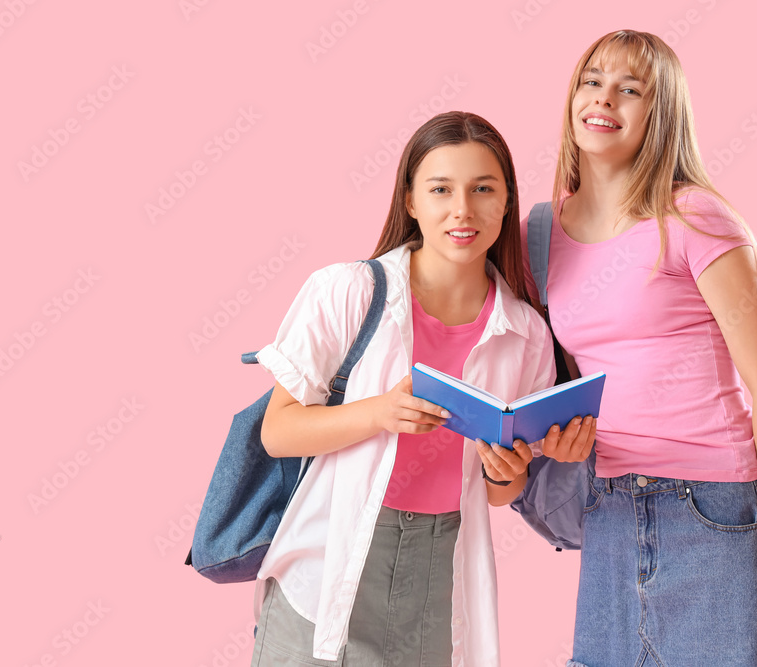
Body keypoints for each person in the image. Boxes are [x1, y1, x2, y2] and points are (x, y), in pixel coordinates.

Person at [248, 110, 595, 667]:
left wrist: (508, 473)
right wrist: (381, 412)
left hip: (443, 567)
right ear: (410, 200)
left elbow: (499, 492)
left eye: (484, 189)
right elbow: (278, 431)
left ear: (507, 203)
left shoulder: (526, 332)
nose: (463, 210)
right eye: (440, 189)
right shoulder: (348, 292)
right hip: (330, 557)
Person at [520, 30, 757, 666]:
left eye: (631, 90)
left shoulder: (692, 217)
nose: (604, 99)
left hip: (711, 507)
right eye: (592, 80)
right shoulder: (543, 233)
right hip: (608, 504)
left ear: (661, 118)